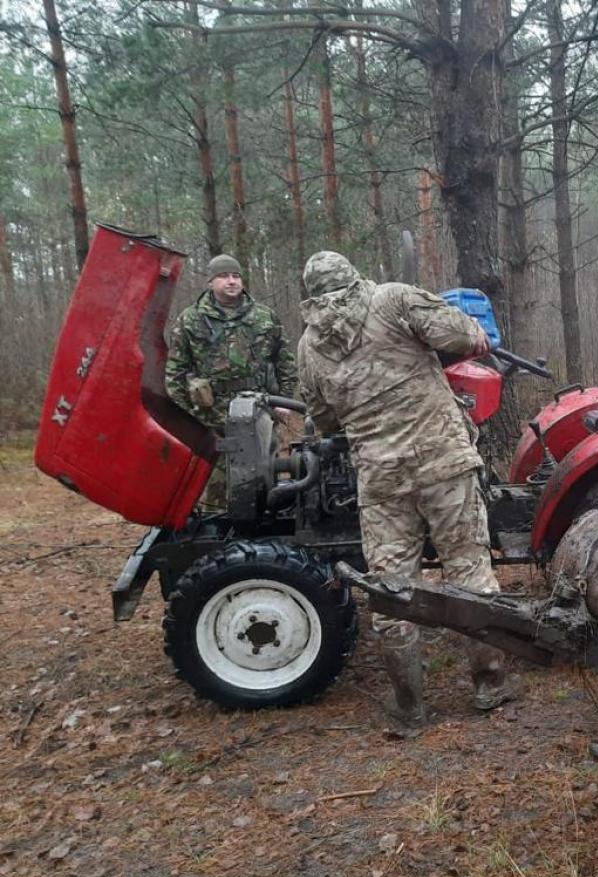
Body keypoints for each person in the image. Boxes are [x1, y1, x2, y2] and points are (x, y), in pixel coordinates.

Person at [295, 250, 515, 729]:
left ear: (312, 293)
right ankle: (490, 685)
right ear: (353, 274)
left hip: (380, 478)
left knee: (392, 589)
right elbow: (470, 336)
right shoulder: (393, 299)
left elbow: (324, 418)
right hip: (444, 461)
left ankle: (410, 706)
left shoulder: (309, 346)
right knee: (470, 568)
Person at [165, 254, 298, 509]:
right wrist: (199, 416)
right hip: (216, 419)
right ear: (210, 282)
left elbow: (285, 361)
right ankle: (222, 535)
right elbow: (175, 375)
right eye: (224, 276)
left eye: (236, 276)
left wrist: (286, 400)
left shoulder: (263, 316)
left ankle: (269, 535)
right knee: (221, 489)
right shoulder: (190, 320)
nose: (232, 281)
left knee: (266, 478)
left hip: (262, 412)